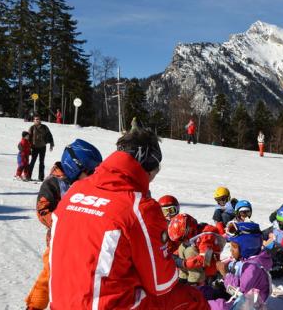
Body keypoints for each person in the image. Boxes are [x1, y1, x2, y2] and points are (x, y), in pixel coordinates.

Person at [49, 127, 209, 310]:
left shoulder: (75, 191)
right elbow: (161, 284)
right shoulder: (140, 207)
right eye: (153, 174)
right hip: (105, 305)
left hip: (60, 303)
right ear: (146, 168)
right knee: (193, 299)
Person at [25, 139, 102, 310]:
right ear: (75, 167)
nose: (93, 176)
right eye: (90, 172)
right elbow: (42, 210)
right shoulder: (53, 183)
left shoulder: (86, 184)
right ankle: (34, 306)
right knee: (50, 274)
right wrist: (64, 221)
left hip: (83, 239)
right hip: (58, 240)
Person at [210, 222, 272, 310]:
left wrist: (225, 274)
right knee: (205, 291)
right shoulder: (249, 259)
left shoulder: (252, 268)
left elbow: (239, 292)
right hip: (243, 299)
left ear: (247, 248)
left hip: (248, 305)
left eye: (234, 247)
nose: (231, 250)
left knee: (215, 306)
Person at [168, 213, 225, 287]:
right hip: (201, 266)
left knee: (189, 251)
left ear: (189, 229)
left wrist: (183, 263)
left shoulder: (207, 236)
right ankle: (183, 277)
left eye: (182, 239)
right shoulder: (194, 234)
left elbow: (205, 259)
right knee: (182, 247)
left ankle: (196, 281)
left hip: (209, 269)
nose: (181, 241)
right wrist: (172, 257)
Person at [28, 114, 55, 181]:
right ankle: (28, 175)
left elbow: (50, 136)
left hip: (42, 147)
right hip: (34, 147)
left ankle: (41, 177)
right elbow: (28, 138)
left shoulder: (45, 127)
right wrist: (28, 147)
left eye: (38, 119)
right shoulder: (32, 128)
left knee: (42, 162)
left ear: (40, 120)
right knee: (32, 161)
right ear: (33, 120)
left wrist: (51, 144)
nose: (36, 120)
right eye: (35, 119)